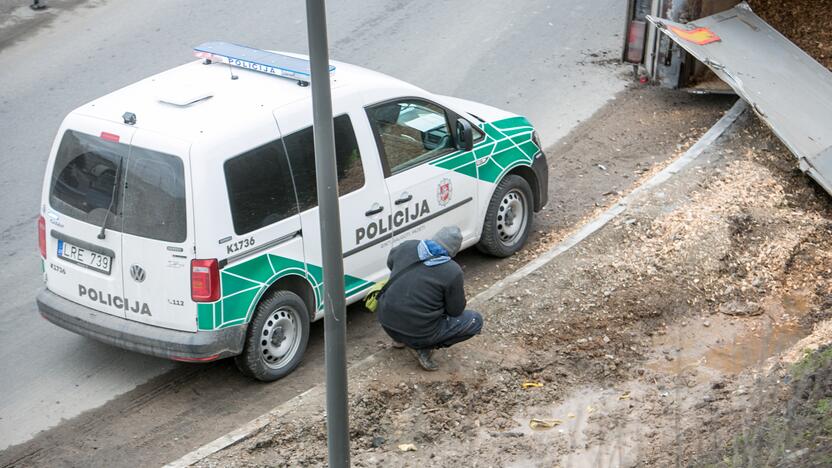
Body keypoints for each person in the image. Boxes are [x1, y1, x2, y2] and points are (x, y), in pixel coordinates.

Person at [376, 226, 483, 371]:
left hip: (385, 322)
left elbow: (391, 264)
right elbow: (455, 311)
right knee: (475, 321)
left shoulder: (407, 246)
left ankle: (399, 340)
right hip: (418, 335)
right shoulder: (452, 270)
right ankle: (424, 347)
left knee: (407, 298)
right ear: (453, 251)